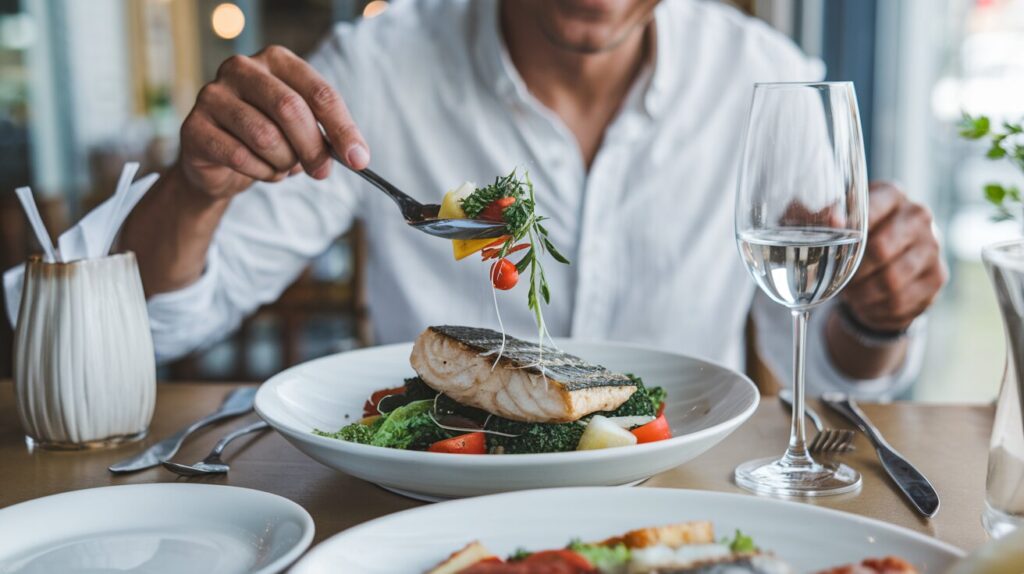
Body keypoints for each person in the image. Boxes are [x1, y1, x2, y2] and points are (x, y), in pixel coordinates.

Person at [118, 0, 945, 397]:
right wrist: (195, 194)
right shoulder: (378, 66)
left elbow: (830, 374)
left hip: (680, 495)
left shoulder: (765, 77)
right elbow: (159, 322)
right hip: (437, 497)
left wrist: (873, 315)